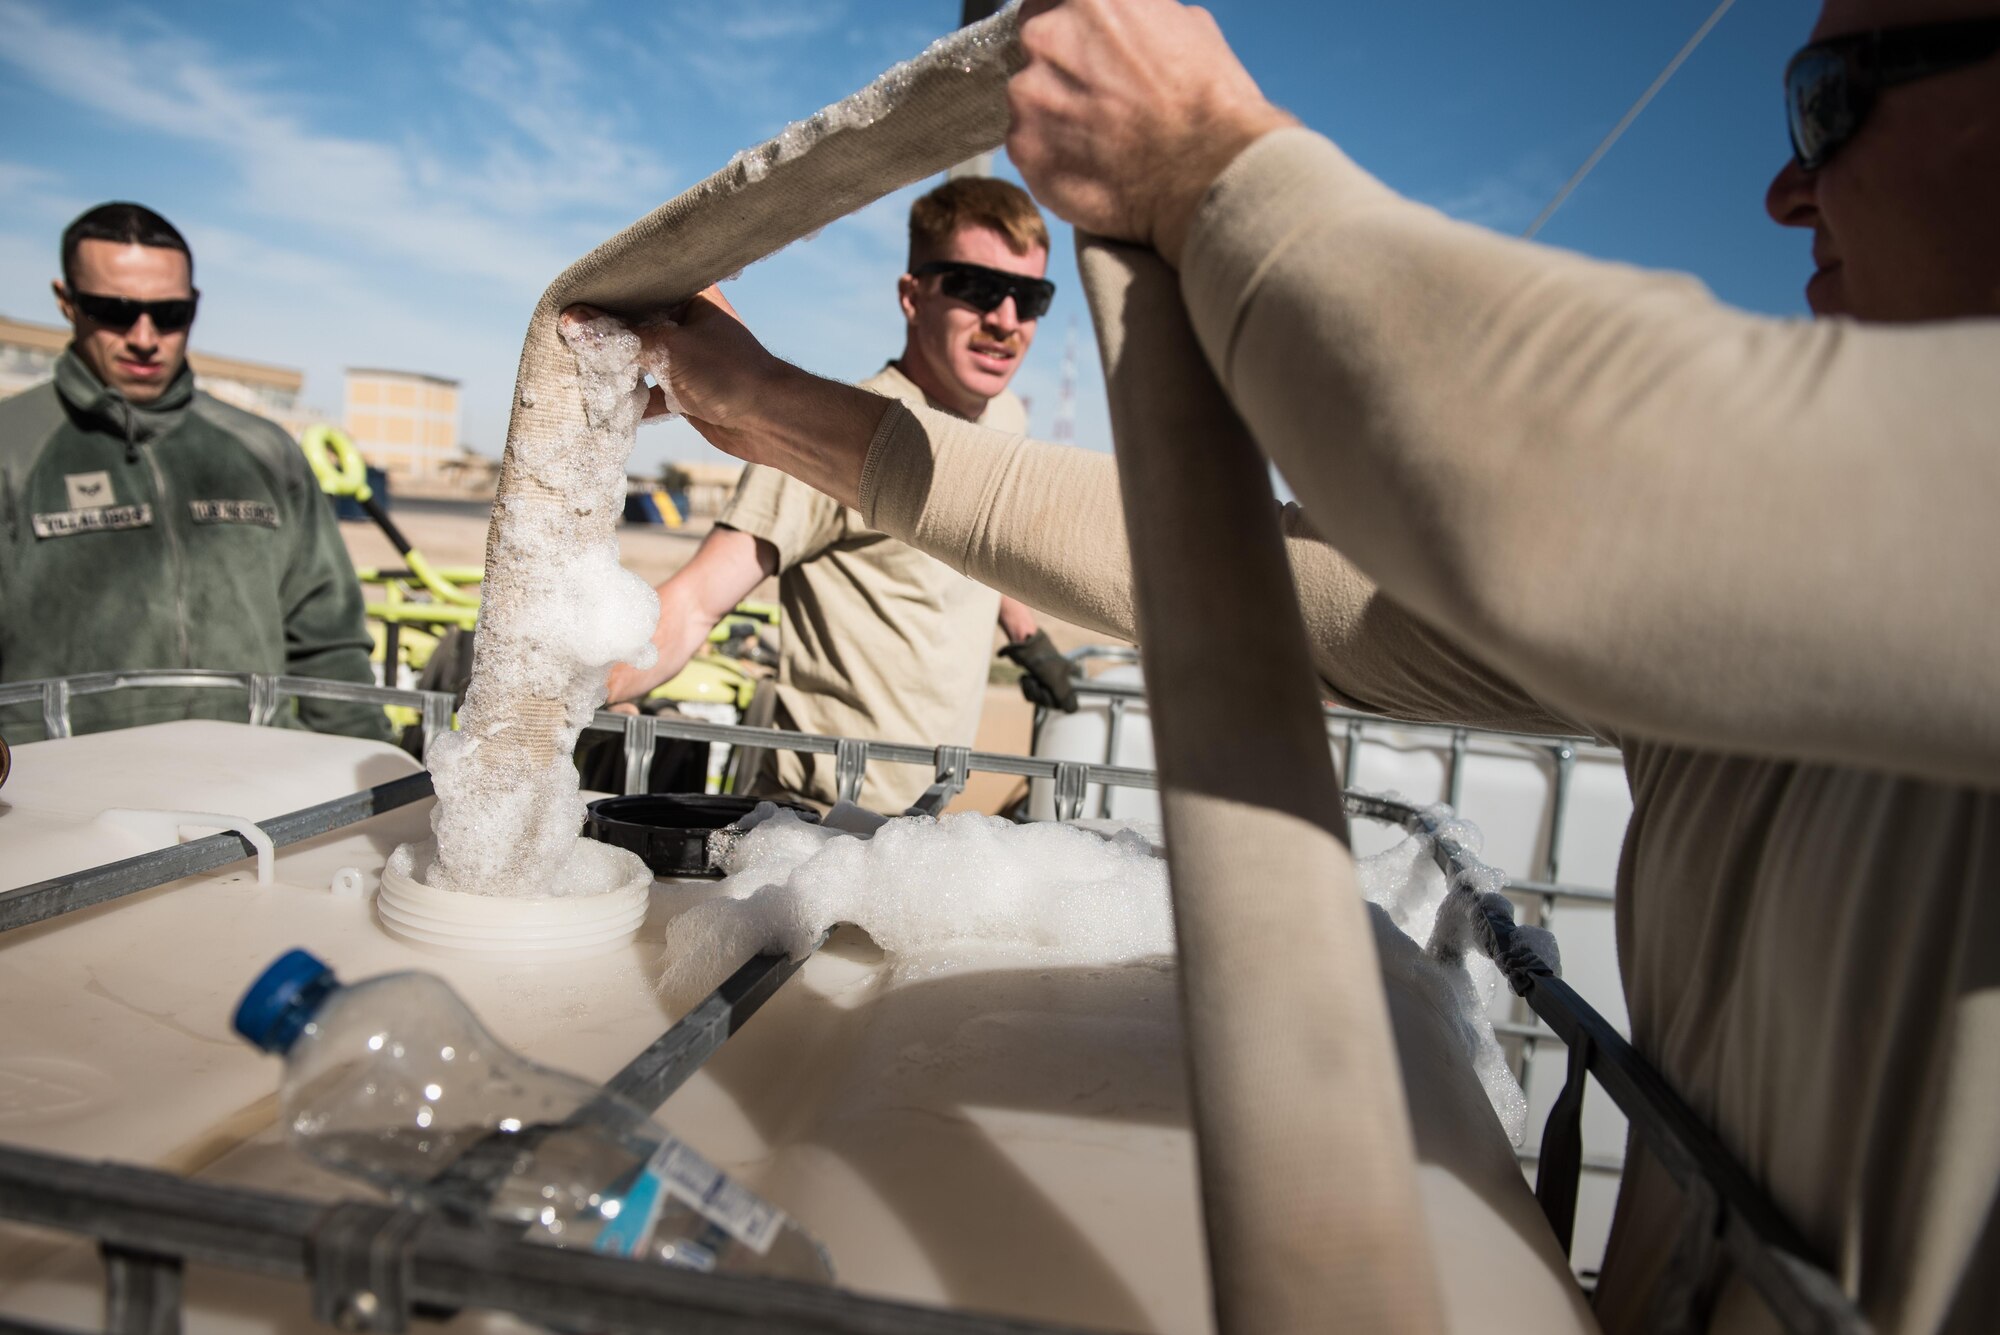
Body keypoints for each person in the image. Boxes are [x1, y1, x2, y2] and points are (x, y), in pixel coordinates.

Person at [600, 0, 2000, 1329]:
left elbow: (1534, 490)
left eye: (1830, 103)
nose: (1786, 191)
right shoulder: (1750, 612)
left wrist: (1207, 158)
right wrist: (775, 407)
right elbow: (1248, 575)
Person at [602, 176, 1075, 814]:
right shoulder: (838, 435)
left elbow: (973, 536)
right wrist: (550, 698)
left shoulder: (1007, 417)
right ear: (913, 295)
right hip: (824, 825)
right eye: (977, 289)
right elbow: (695, 606)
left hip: (925, 821)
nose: (1007, 320)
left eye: (1030, 296)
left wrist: (1024, 631)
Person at [0, 202, 389, 743]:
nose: (143, 336)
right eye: (113, 310)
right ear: (67, 302)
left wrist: (373, 781)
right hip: (63, 807)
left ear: (194, 304)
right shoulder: (12, 450)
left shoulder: (265, 451)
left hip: (258, 796)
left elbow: (330, 642)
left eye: (170, 314)